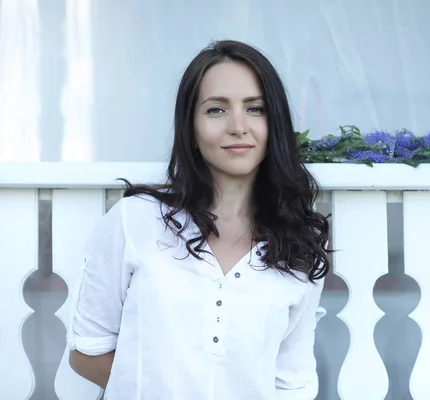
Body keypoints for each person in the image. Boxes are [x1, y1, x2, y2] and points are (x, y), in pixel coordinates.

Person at [67, 39, 331, 399]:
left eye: (255, 109)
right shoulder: (135, 220)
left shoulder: (299, 242)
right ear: (190, 128)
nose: (238, 126)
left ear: (276, 125)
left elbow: (292, 382)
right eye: (216, 110)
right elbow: (87, 352)